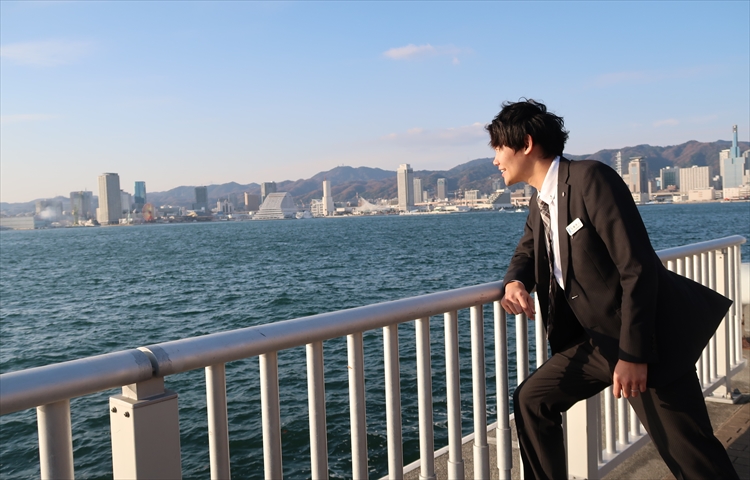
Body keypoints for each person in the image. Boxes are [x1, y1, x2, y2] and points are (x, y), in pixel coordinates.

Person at [490, 99, 738, 480]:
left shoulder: (591, 180)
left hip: (645, 340)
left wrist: (634, 355)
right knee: (532, 400)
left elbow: (636, 268)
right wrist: (514, 281)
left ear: (526, 143)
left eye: (498, 147)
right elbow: (528, 248)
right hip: (599, 341)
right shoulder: (542, 199)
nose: (495, 160)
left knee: (692, 456)